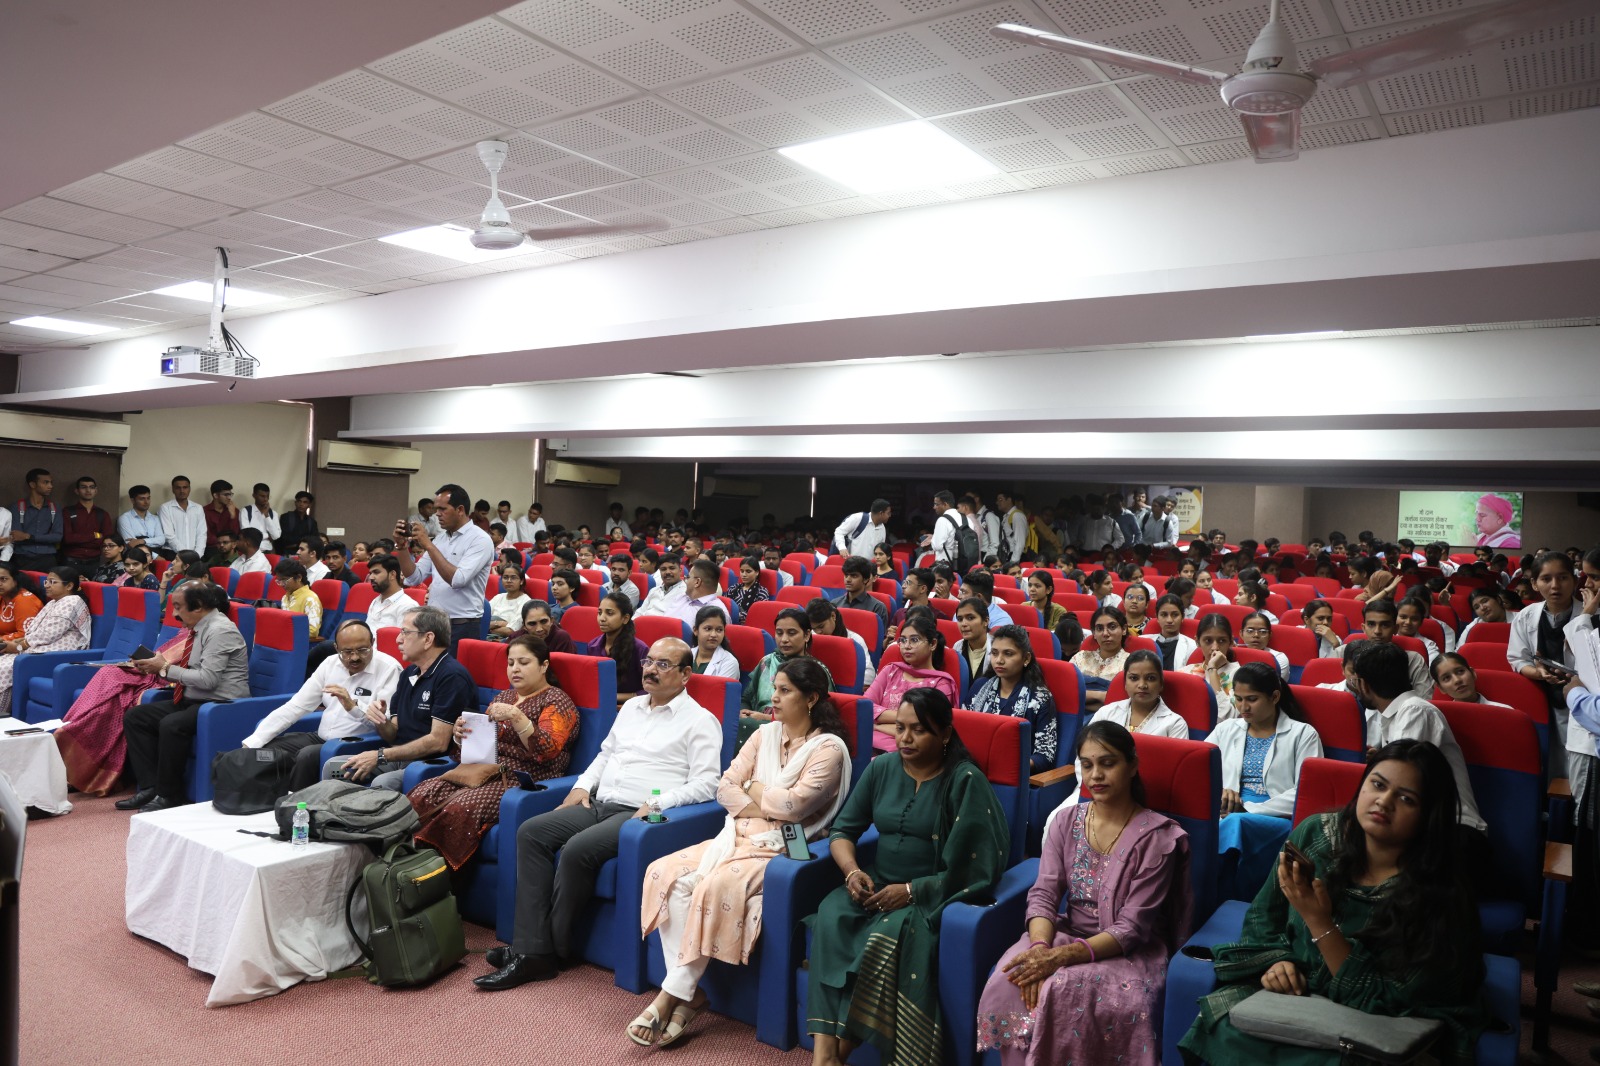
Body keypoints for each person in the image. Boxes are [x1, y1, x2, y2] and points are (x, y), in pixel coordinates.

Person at [1179, 739, 1487, 1065]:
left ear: (1429, 815)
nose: (1384, 801)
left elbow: (1393, 998)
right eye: (1378, 785)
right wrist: (1277, 963)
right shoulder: (1316, 836)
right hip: (1295, 997)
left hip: (1380, 1019)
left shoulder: (1439, 892)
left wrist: (1319, 922)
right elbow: (1263, 919)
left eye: (1406, 798)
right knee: (1221, 1025)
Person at [477, 638, 721, 989]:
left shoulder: (700, 720)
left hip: (645, 814)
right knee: (532, 831)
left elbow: (707, 783)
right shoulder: (633, 708)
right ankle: (535, 947)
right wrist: (582, 786)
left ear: (686, 674)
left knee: (578, 849)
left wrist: (658, 803)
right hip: (599, 802)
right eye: (649, 661)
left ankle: (540, 952)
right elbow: (605, 755)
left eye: (663, 664)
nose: (650, 669)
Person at [632, 658, 851, 1047]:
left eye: (785, 691)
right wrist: (761, 795)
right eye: (775, 688)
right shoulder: (763, 735)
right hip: (736, 833)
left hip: (791, 843)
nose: (774, 697)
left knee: (713, 884)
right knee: (662, 872)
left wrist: (753, 790)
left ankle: (670, 996)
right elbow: (725, 787)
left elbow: (795, 809)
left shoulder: (828, 749)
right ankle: (688, 993)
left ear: (812, 698)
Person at [807, 687, 1008, 1066]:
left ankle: (839, 1054)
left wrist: (914, 891)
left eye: (918, 730)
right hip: (872, 885)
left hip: (929, 897)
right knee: (831, 915)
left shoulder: (964, 781)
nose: (905, 738)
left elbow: (978, 865)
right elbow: (842, 832)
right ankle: (824, 1057)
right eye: (899, 728)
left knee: (883, 937)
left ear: (945, 734)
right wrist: (852, 872)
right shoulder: (882, 767)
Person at [978, 720, 1191, 1065]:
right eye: (1087, 764)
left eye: (1108, 763)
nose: (1096, 775)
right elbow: (1044, 894)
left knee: (1062, 990)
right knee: (1012, 976)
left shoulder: (1158, 837)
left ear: (1132, 766)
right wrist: (1040, 950)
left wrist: (1058, 960)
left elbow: (1132, 928)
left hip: (1127, 954)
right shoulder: (1066, 821)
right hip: (1065, 935)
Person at [411, 635, 579, 869]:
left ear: (544, 666)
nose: (515, 669)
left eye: (524, 662)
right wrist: (461, 737)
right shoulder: (504, 697)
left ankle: (434, 874)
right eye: (511, 663)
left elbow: (547, 751)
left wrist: (516, 716)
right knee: (423, 794)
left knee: (461, 808)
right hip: (483, 770)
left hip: (527, 778)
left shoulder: (557, 700)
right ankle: (406, 861)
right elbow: (476, 748)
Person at [117, 582, 251, 811]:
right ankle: (150, 788)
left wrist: (166, 668)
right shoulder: (198, 627)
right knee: (137, 716)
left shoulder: (220, 631)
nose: (174, 614)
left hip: (221, 704)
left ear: (198, 606)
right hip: (193, 699)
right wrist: (156, 667)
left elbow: (209, 680)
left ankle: (170, 795)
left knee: (172, 724)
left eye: (178, 607)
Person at [322, 606, 476, 790]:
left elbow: (438, 742)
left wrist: (380, 756)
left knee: (383, 783)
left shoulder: (451, 676)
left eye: (405, 632)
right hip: (398, 757)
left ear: (428, 639)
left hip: (430, 765)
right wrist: (379, 720)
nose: (398, 639)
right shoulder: (409, 673)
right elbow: (393, 733)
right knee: (334, 767)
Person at [237, 620, 403, 789]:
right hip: (321, 736)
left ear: (372, 644)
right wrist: (253, 741)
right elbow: (296, 706)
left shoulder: (389, 669)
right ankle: (266, 801)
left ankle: (295, 808)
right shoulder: (330, 664)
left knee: (307, 756)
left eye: (362, 650)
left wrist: (353, 706)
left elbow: (386, 727)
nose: (355, 657)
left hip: (357, 743)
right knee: (267, 748)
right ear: (337, 648)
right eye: (347, 652)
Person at [1347, 641, 1487, 841]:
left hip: (1453, 831)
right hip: (1421, 825)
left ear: (1364, 685)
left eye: (1354, 682)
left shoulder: (1415, 711)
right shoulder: (1397, 713)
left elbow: (1398, 779)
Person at [1211, 663, 1325, 898]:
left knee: (1236, 824)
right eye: (1238, 699)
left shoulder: (1303, 733)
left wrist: (1249, 809)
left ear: (1274, 697)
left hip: (1278, 817)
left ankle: (1218, 892)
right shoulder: (1226, 729)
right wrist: (1222, 791)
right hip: (1228, 810)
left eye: (1252, 699)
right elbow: (1201, 769)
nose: (1243, 707)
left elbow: (1307, 791)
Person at [396, 483, 495, 650]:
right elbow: (414, 577)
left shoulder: (480, 539)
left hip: (462, 624)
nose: (437, 514)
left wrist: (428, 544)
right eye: (436, 509)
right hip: (435, 623)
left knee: (452, 675)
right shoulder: (441, 539)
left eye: (443, 509)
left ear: (460, 510)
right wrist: (402, 547)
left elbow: (458, 580)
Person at [1509, 550, 1579, 779]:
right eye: (1546, 579)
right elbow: (1517, 659)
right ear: (1535, 584)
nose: (1555, 585)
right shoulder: (1526, 616)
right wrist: (1537, 672)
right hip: (1540, 695)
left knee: (1576, 764)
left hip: (1580, 700)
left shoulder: (1592, 617)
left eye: (1563, 577)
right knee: (1544, 760)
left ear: (1574, 579)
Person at [0, 567, 92, 715]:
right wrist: (18, 643)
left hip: (62, 654)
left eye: (53, 582)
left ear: (69, 586)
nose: (47, 585)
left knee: (3, 668)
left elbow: (48, 634)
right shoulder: (53, 602)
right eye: (47, 581)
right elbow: (34, 632)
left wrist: (18, 646)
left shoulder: (72, 601)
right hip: (41, 648)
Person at [862, 614, 959, 752]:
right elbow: (866, 707)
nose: (907, 646)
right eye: (903, 640)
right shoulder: (891, 670)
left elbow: (925, 727)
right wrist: (905, 721)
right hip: (867, 742)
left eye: (914, 640)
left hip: (908, 751)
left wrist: (877, 725)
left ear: (932, 644)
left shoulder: (941, 683)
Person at [968, 625, 1058, 772]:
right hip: (974, 766)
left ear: (1026, 658)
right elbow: (963, 732)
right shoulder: (980, 687)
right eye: (994, 653)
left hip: (1012, 773)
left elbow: (1045, 755)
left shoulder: (1040, 698)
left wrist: (1011, 765)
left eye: (1008, 654)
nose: (999, 660)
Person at [1329, 599, 1434, 698]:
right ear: (1363, 628)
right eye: (1371, 624)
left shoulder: (1413, 660)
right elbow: (1331, 692)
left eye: (1385, 625)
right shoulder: (1342, 653)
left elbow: (1424, 701)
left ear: (1395, 628)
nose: (1377, 631)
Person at [743, 608, 830, 724]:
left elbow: (818, 716)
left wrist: (767, 718)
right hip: (755, 725)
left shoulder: (815, 670)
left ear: (807, 635)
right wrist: (743, 712)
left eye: (791, 633)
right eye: (779, 633)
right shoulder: (767, 662)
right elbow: (746, 698)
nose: (784, 639)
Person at [1091, 649, 1188, 738]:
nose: (1142, 685)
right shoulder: (1106, 713)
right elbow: (1085, 752)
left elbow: (1176, 758)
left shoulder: (1175, 724)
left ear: (1161, 684)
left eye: (1151, 678)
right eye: (1134, 678)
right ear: (1125, 683)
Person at [587, 591, 648, 705]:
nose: (602, 618)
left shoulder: (640, 649)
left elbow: (649, 689)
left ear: (625, 618)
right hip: (600, 704)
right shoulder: (593, 645)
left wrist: (615, 697)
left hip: (631, 707)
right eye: (599, 613)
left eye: (609, 613)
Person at [1071, 605, 1131, 710]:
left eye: (1112, 627)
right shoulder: (1080, 658)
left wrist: (1083, 697)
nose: (1105, 634)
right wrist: (1100, 696)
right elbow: (1066, 693)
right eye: (1099, 628)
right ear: (1094, 633)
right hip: (1075, 714)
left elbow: (1125, 702)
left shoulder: (1131, 663)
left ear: (1124, 629)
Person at [806, 597, 876, 688]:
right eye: (814, 628)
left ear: (833, 616)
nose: (818, 632)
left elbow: (869, 675)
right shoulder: (810, 637)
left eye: (821, 626)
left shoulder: (854, 640)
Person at [1186, 612, 1244, 718]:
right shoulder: (1185, 673)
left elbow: (1224, 716)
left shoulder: (1240, 675)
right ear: (1197, 641)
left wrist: (1212, 669)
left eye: (1222, 641)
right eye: (1208, 641)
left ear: (1231, 642)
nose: (1215, 647)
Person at [61, 475, 115, 578]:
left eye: (91, 487)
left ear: (96, 491)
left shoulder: (102, 514)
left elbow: (107, 540)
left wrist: (80, 537)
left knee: (93, 592)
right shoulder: (68, 511)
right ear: (77, 491)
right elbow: (68, 539)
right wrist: (95, 535)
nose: (88, 490)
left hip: (94, 562)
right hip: (71, 562)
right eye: (84, 487)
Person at [9, 468, 63, 570]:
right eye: (46, 482)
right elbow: (16, 536)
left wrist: (28, 536)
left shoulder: (54, 508)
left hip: (47, 558)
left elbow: (57, 537)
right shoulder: (17, 507)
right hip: (22, 557)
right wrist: (45, 538)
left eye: (51, 482)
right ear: (33, 484)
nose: (50, 486)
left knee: (48, 585)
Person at [828, 556, 889, 628]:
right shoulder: (834, 604)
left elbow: (878, 637)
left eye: (854, 576)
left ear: (866, 579)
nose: (848, 579)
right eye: (846, 575)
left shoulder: (877, 608)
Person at [667, 557, 730, 627]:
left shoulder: (717, 612)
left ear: (697, 582)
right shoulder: (680, 598)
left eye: (688, 577)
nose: (685, 581)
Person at [1430, 653, 1509, 707]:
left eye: (1460, 671)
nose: (1457, 680)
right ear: (1441, 688)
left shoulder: (1505, 711)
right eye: (1446, 678)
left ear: (1472, 673)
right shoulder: (1440, 719)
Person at [273, 559, 323, 642]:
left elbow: (312, 631)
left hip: (299, 643)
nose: (281, 584)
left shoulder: (310, 599)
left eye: (284, 580)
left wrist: (284, 634)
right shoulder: (285, 598)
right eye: (279, 581)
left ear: (299, 577)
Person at [363, 554, 413, 631]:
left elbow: (403, 640)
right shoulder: (375, 601)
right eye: (370, 573)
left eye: (376, 572)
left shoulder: (407, 606)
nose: (371, 577)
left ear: (392, 574)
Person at [689, 604, 739, 679]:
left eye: (719, 630)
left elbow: (718, 690)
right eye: (708, 629)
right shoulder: (686, 655)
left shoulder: (729, 663)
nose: (713, 634)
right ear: (695, 630)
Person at [116, 484, 166, 557]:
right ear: (132, 500)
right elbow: (132, 544)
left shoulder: (155, 518)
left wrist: (142, 541)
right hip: (136, 556)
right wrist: (156, 558)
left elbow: (161, 540)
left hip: (158, 552)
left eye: (148, 498)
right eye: (142, 499)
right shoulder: (124, 519)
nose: (146, 502)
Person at [1150, 593, 1197, 670]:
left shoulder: (1192, 646)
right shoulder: (1145, 642)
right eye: (1164, 615)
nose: (1169, 620)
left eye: (1175, 615)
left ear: (1182, 617)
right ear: (1157, 617)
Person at [1238, 611, 1291, 680]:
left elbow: (1276, 686)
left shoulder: (1278, 659)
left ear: (1270, 635)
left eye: (1262, 631)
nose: (1256, 635)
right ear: (1241, 634)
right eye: (1250, 631)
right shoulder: (1233, 654)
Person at [488, 563, 531, 641]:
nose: (509, 581)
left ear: (521, 581)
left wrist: (489, 627)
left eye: (513, 578)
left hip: (507, 640)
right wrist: (501, 623)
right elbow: (482, 621)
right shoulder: (498, 597)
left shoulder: (526, 602)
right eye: (505, 577)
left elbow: (511, 631)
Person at [238, 482, 281, 552]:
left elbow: (276, 536)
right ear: (254, 495)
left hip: (268, 550)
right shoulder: (245, 511)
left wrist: (267, 516)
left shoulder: (273, 513)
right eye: (262, 496)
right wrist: (267, 536)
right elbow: (247, 534)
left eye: (267, 496)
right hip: (251, 550)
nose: (265, 499)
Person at [1395, 597, 1440, 663]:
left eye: (1414, 619)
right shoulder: (1386, 639)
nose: (1408, 622)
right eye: (1403, 617)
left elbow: (1432, 669)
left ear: (1421, 622)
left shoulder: (1428, 646)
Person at [202, 479, 240, 553]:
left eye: (230, 494)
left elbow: (235, 535)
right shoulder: (204, 511)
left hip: (230, 549)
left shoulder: (234, 510)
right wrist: (222, 542)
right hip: (212, 548)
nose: (229, 497)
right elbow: (206, 536)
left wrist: (232, 516)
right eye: (226, 494)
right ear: (215, 495)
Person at [997, 490, 1031, 565]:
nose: (997, 503)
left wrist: (1013, 563)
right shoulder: (1007, 516)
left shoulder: (1017, 516)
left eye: (1000, 500)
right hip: (1007, 556)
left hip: (1016, 557)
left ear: (1009, 500)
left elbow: (1020, 542)